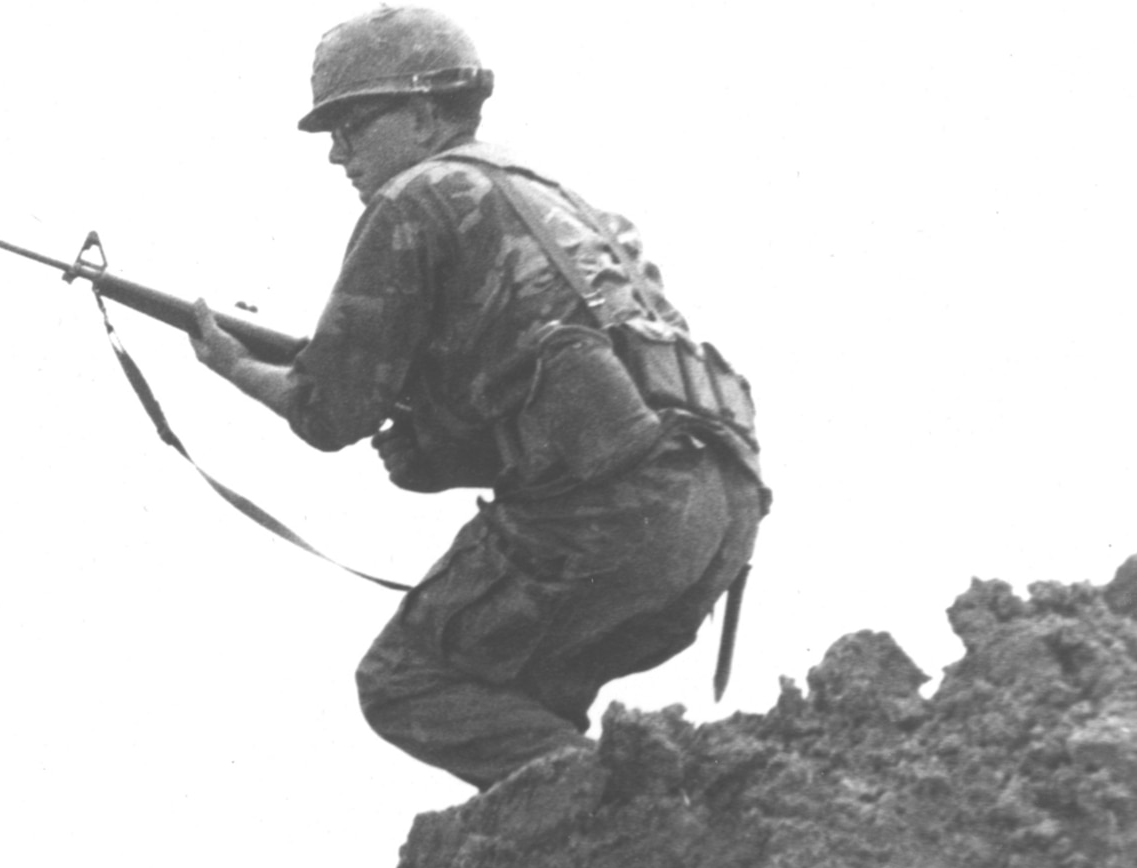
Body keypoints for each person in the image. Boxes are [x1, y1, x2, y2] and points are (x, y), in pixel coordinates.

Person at [189, 5, 767, 794]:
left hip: (608, 513)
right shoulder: (545, 193)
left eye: (353, 125)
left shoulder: (416, 200)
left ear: (425, 114)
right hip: (718, 511)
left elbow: (329, 414)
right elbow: (560, 378)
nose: (337, 154)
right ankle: (613, 853)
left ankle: (628, 824)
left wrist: (229, 363)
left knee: (407, 679)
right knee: (518, 694)